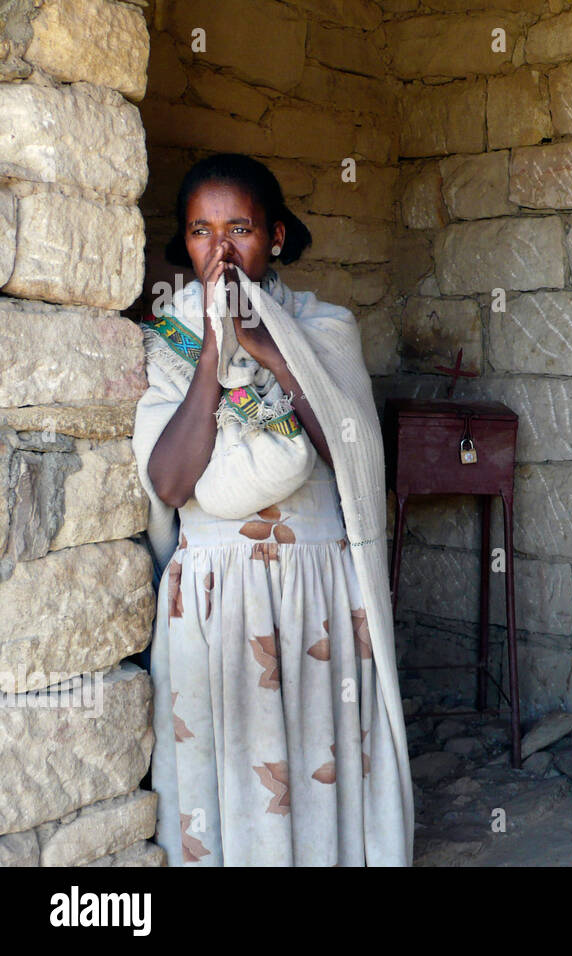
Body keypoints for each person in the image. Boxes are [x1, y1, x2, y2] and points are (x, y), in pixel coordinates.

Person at [132, 153, 412, 866]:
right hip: (218, 598)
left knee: (315, 763)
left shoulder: (326, 325)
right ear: (184, 244)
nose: (220, 250)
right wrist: (211, 358)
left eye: (240, 229)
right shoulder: (168, 339)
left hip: (317, 592)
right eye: (201, 231)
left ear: (277, 237)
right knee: (234, 770)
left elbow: (349, 448)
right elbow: (168, 481)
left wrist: (267, 346)